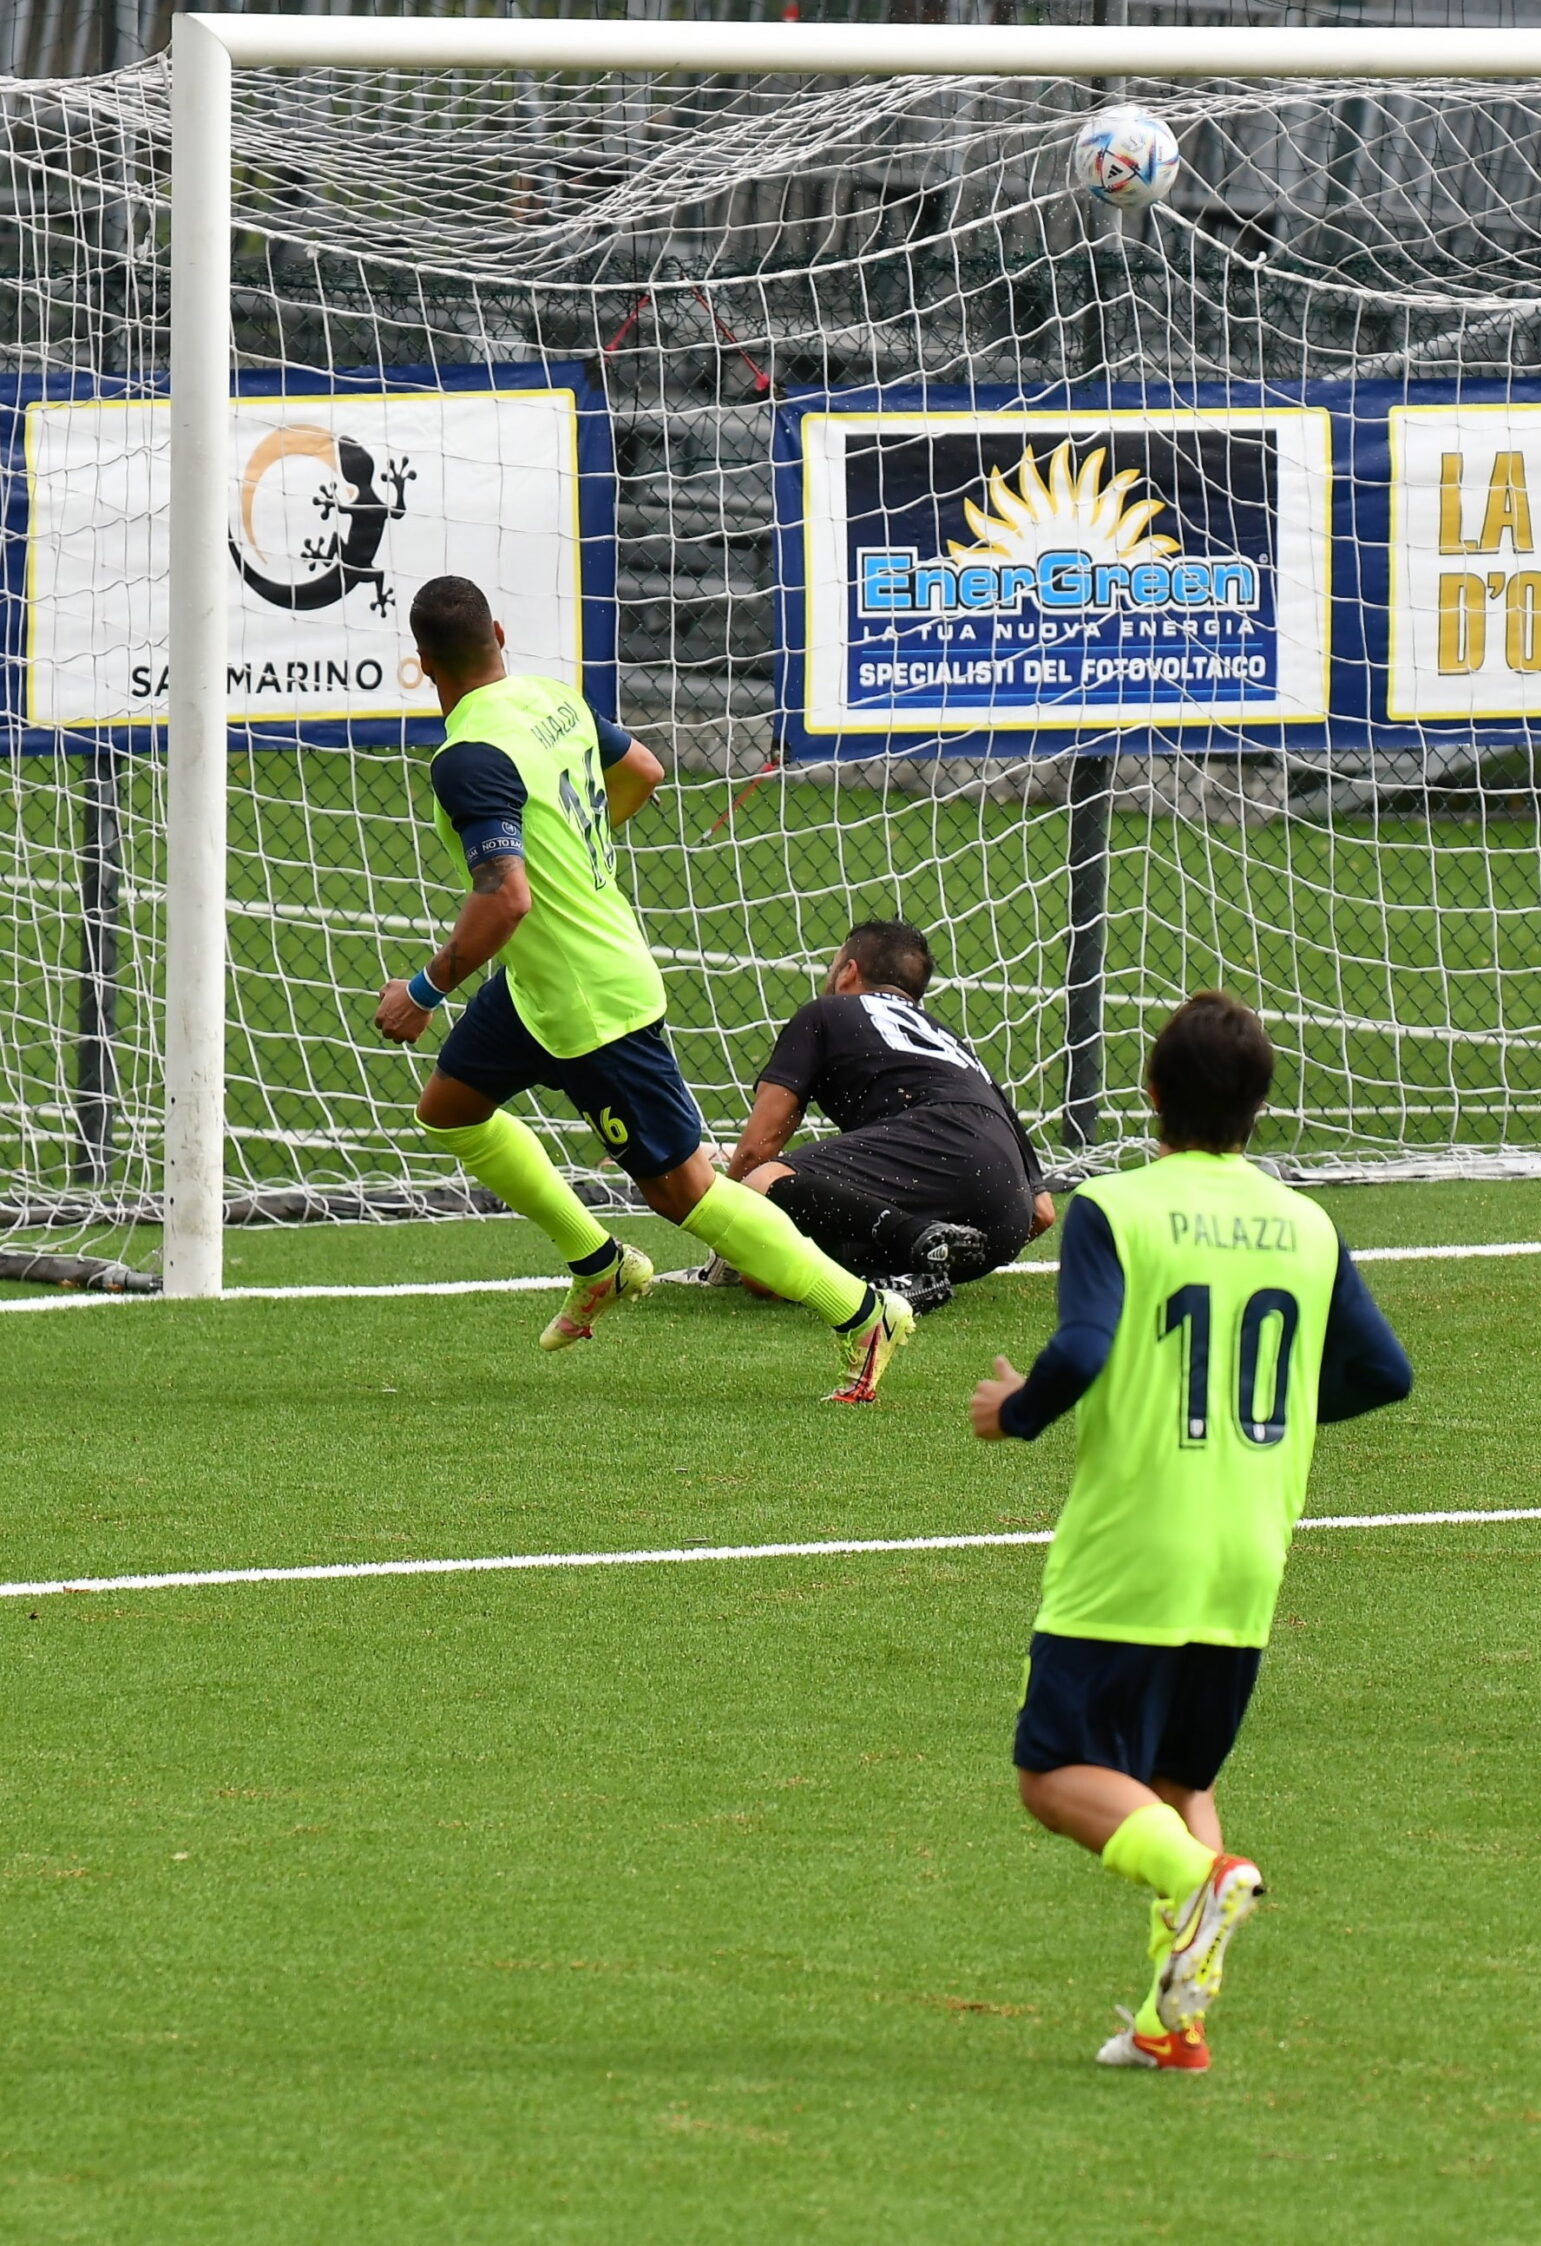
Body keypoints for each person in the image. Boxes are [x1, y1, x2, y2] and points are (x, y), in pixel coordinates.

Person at [968, 992, 1412, 2072]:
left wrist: (1014, 1409)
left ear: (1151, 1092)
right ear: (1258, 1107)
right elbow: (1382, 1371)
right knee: (1180, 1779)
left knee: (1051, 1770)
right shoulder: (1306, 1223)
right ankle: (1175, 2020)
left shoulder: (1114, 1207)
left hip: (1137, 1542)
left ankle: (1196, 1881)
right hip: (1247, 1551)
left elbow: (1078, 1349)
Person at [368, 574, 914, 1403]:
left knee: (683, 1193)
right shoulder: (552, 698)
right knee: (450, 1106)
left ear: (422, 663)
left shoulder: (468, 757)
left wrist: (424, 988)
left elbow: (506, 896)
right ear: (501, 632)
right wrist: (579, 858)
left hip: (592, 1003)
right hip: (536, 988)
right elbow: (646, 771)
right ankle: (599, 1264)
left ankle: (862, 1311)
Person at [719, 919, 1055, 1312]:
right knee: (764, 1278)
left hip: (938, 1144)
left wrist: (722, 1238)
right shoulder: (954, 1047)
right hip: (1003, 1219)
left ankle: (908, 1239)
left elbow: (754, 1153)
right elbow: (1044, 1213)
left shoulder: (826, 1012)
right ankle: (901, 1272)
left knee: (762, 1190)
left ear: (848, 973)